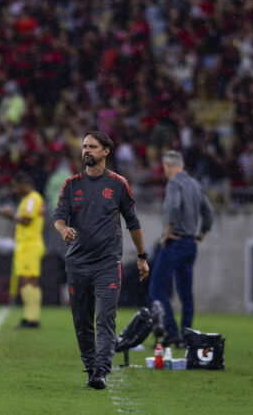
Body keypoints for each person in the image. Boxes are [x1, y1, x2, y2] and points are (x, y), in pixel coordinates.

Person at [54, 131, 149, 390]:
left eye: (92, 146)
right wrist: (63, 229)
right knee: (82, 321)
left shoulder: (118, 184)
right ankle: (91, 365)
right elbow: (60, 216)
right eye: (84, 146)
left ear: (106, 151)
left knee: (105, 318)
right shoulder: (71, 184)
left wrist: (142, 257)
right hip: (77, 264)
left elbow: (133, 223)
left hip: (108, 264)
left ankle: (100, 372)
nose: (86, 150)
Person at [148, 150, 213, 347]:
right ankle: (186, 336)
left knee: (156, 289)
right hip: (190, 244)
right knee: (186, 294)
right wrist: (200, 235)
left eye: (164, 168)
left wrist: (167, 232)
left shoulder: (174, 183)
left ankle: (172, 331)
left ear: (168, 166)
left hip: (175, 242)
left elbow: (174, 207)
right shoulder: (195, 184)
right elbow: (209, 214)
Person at [0, 172, 46, 329]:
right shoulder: (29, 199)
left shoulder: (32, 199)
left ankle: (31, 318)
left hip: (29, 245)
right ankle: (32, 317)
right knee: (31, 281)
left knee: (27, 280)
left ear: (24, 185)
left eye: (16, 186)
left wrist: (10, 215)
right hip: (28, 244)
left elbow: (26, 220)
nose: (15, 189)